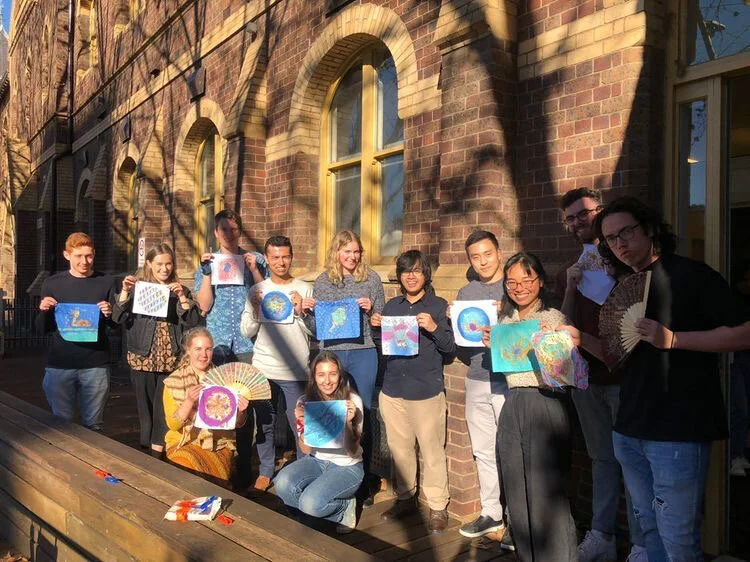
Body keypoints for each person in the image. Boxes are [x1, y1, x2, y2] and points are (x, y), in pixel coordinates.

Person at [593, 197, 750, 562]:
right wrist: (576, 337)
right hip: (628, 429)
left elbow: (745, 333)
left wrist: (676, 339)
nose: (619, 244)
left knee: (679, 540)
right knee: (650, 531)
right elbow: (615, 356)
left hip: (678, 430)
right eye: (611, 239)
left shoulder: (691, 275)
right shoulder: (624, 286)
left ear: (649, 229)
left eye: (627, 232)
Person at [555, 188, 646, 562]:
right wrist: (571, 286)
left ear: (601, 211)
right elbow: (563, 323)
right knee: (602, 460)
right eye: (571, 218)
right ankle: (603, 535)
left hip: (625, 380)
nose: (578, 222)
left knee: (634, 462)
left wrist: (618, 276)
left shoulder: (627, 262)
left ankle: (642, 543)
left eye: (584, 213)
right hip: (586, 380)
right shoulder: (573, 268)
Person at [490, 252, 578, 562]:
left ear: (540, 281)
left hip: (545, 402)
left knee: (546, 491)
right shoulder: (505, 321)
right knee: (516, 489)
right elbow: (508, 366)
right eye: (511, 282)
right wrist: (494, 343)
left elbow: (567, 375)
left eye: (527, 280)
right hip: (513, 402)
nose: (519, 287)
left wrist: (555, 345)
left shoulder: (553, 319)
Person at [370, 250, 455, 533]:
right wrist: (375, 328)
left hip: (425, 390)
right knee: (400, 449)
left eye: (417, 270)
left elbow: (449, 348)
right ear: (399, 276)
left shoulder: (438, 306)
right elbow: (384, 347)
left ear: (425, 275)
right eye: (406, 271)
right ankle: (406, 498)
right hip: (393, 389)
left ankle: (438, 506)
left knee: (432, 451)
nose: (411, 276)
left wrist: (433, 327)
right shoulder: (392, 306)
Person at [304, 230, 385, 499]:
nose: (352, 256)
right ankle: (331, 471)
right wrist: (306, 312)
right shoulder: (323, 281)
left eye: (356, 251)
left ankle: (364, 479)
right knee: (330, 410)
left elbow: (381, 321)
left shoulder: (372, 279)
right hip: (333, 354)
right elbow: (317, 328)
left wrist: (372, 311)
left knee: (363, 413)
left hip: (364, 353)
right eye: (346, 251)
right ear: (336, 252)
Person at [193, 209, 269, 490]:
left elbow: (268, 297)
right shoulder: (208, 263)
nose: (229, 234)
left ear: (240, 231)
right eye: (224, 229)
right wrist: (206, 274)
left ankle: (245, 467)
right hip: (220, 343)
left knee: (246, 404)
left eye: (234, 229)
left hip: (248, 342)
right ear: (216, 233)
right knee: (218, 403)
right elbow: (204, 305)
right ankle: (220, 462)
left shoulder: (255, 260)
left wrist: (254, 269)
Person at [448, 230, 512, 543]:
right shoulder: (466, 293)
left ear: (499, 253)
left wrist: (506, 313)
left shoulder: (514, 286)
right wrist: (453, 321)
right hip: (476, 377)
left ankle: (518, 520)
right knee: (483, 451)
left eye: (488, 254)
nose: (483, 261)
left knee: (512, 450)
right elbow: (461, 346)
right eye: (476, 257)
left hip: (508, 381)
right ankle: (492, 513)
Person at [112, 243, 201, 457]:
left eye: (168, 264)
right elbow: (118, 317)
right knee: (146, 411)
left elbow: (193, 322)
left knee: (164, 409)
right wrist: (125, 292)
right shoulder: (138, 288)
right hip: (143, 357)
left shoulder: (181, 290)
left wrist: (182, 298)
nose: (164, 269)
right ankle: (146, 448)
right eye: (159, 264)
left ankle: (158, 452)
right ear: (149, 264)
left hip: (171, 360)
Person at [240, 235, 314, 474]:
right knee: (265, 424)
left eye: (285, 257)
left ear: (292, 257)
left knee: (300, 425)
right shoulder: (257, 290)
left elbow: (315, 332)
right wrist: (254, 308)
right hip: (264, 369)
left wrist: (301, 311)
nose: (281, 262)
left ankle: (303, 472)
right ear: (266, 259)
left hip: (296, 369)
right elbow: (246, 331)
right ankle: (265, 471)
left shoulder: (305, 288)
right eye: (275, 257)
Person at [273, 351, 364, 534]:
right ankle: (311, 515)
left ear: (340, 376)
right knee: (281, 483)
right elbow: (306, 449)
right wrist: (304, 424)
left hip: (347, 466)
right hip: (316, 460)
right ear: (314, 377)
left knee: (310, 504)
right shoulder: (304, 402)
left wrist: (347, 422)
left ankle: (343, 507)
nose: (327, 381)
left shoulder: (352, 401)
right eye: (321, 374)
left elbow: (352, 450)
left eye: (333, 374)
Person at [36, 232, 115, 431]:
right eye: (78, 256)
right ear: (67, 255)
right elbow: (42, 329)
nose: (84, 261)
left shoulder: (106, 282)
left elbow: (116, 326)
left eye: (88, 256)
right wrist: (44, 311)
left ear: (94, 254)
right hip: (60, 365)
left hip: (96, 364)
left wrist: (110, 313)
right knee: (61, 424)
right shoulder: (52, 283)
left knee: (94, 425)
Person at [162, 327, 250, 485]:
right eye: (198, 349)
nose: (203, 354)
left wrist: (242, 412)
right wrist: (189, 401)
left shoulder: (226, 380)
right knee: (184, 463)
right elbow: (173, 425)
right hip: (184, 441)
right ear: (188, 350)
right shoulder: (174, 381)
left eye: (208, 349)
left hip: (219, 442)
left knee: (213, 473)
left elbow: (237, 424)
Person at [730, 259, 750, 475]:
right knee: (739, 408)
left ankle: (739, 453)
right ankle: (734, 455)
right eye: (745, 279)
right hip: (734, 359)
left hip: (744, 358)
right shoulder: (731, 301)